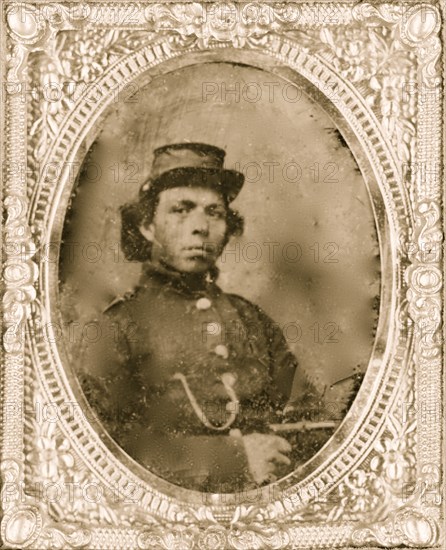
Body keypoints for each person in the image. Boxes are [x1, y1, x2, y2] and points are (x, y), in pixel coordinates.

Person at [77, 143, 320, 492]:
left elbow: (307, 419)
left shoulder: (251, 320)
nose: (200, 227)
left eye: (214, 212)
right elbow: (100, 452)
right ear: (147, 226)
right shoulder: (115, 327)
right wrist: (232, 459)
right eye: (181, 209)